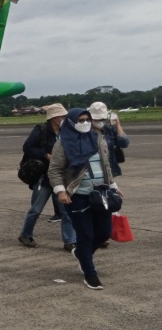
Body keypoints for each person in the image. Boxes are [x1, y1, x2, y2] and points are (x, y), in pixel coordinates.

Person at [48, 108, 121, 290]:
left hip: (101, 193)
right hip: (78, 196)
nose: (85, 123)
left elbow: (106, 165)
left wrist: (113, 186)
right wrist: (60, 191)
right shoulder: (63, 144)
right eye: (80, 120)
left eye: (87, 119)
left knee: (104, 233)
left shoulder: (96, 139)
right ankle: (90, 274)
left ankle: (81, 254)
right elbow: (54, 170)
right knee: (85, 234)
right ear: (72, 122)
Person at [17, 104, 76, 250]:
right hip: (44, 176)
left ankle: (69, 241)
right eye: (62, 116)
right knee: (36, 209)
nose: (65, 118)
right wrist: (46, 155)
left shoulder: (67, 131)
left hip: (61, 177)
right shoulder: (41, 130)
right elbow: (28, 147)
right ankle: (25, 234)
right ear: (54, 118)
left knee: (66, 211)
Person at [89, 101, 130, 249]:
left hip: (109, 172)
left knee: (109, 204)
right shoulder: (86, 132)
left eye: (102, 119)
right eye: (96, 119)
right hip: (93, 175)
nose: (99, 122)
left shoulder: (109, 130)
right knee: (95, 204)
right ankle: (97, 235)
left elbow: (124, 143)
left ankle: (102, 234)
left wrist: (117, 124)